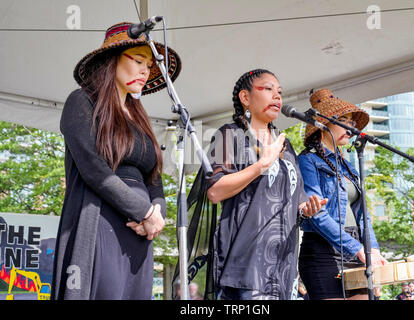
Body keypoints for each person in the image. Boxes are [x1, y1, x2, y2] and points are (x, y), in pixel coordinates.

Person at [51, 22, 182, 300]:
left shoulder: (140, 116)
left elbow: (154, 179)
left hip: (140, 234)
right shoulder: (82, 102)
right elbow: (92, 168)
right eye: (138, 60)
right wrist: (143, 212)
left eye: (149, 65)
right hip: (101, 221)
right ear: (111, 60)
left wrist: (157, 215)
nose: (146, 70)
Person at [177, 69, 327, 300]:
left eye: (279, 92)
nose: (277, 97)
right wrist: (262, 164)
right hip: (247, 263)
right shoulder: (230, 135)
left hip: (284, 263)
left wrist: (307, 207)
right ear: (245, 98)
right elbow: (215, 191)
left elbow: (297, 196)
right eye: (268, 89)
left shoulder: (284, 144)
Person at [297, 89, 388, 300]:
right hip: (322, 250)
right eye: (343, 120)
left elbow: (363, 215)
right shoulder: (307, 160)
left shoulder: (349, 166)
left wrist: (372, 249)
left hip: (355, 246)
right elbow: (317, 214)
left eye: (352, 122)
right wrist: (357, 249)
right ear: (323, 124)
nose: (350, 127)